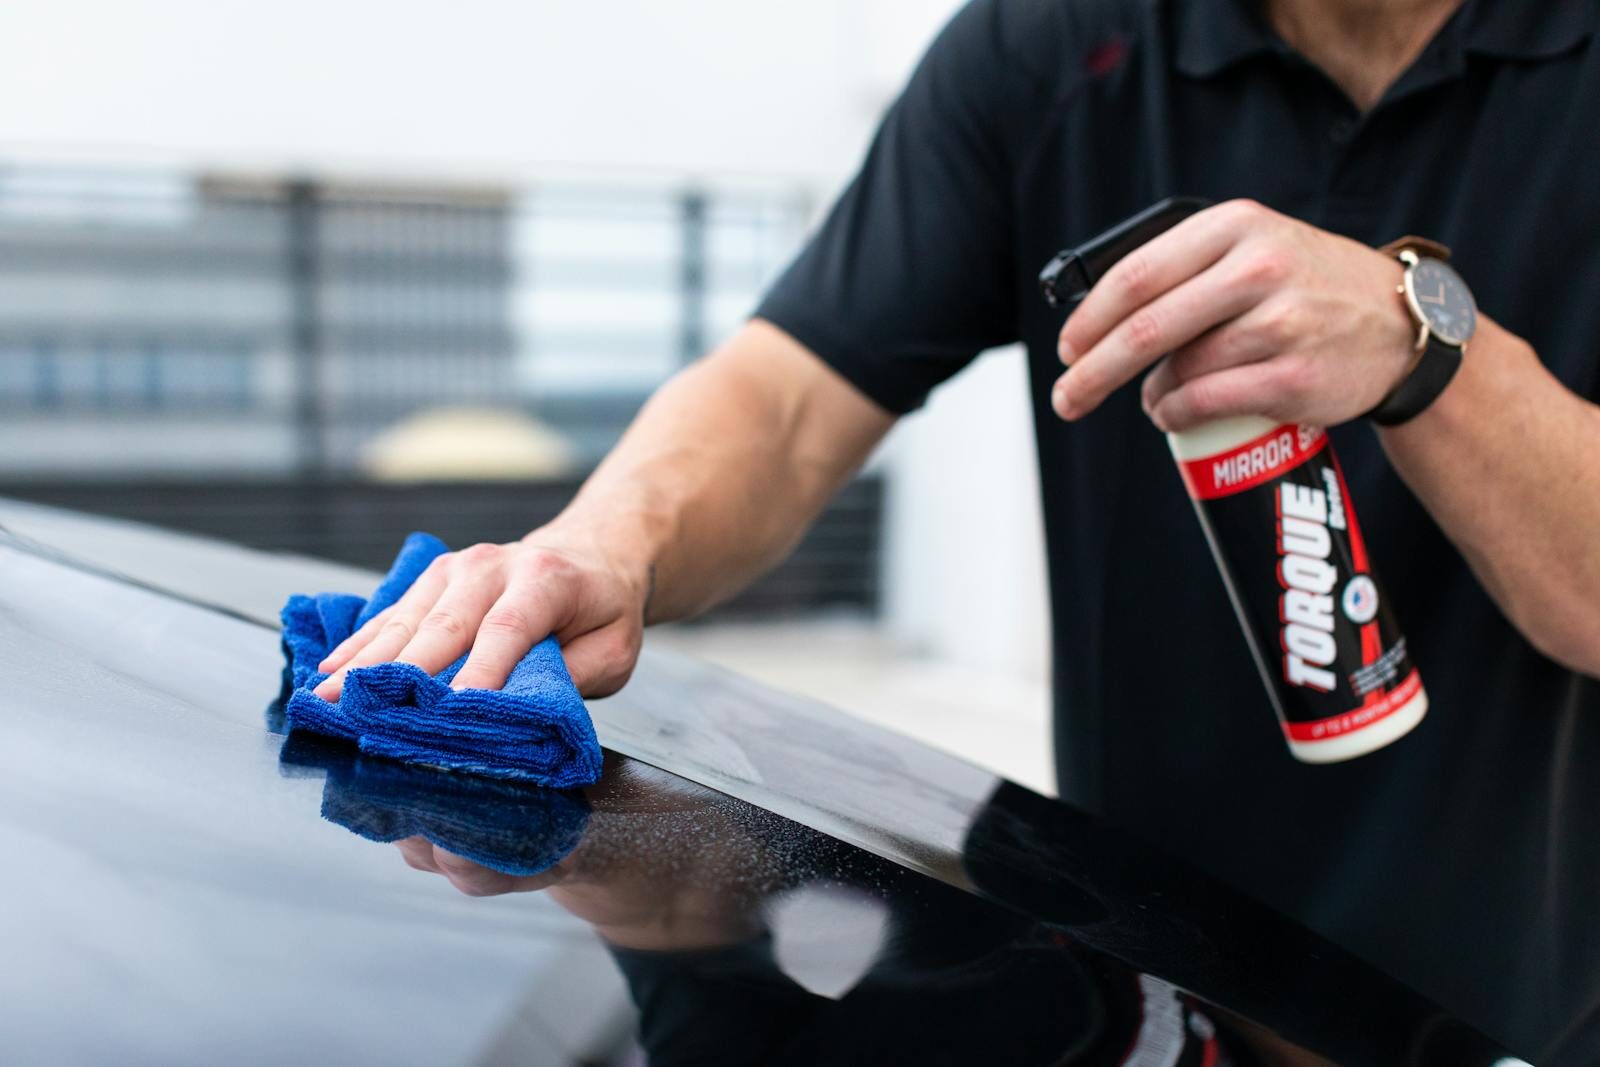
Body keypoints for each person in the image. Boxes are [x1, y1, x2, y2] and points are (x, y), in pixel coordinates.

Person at [313, 0, 1600, 1058]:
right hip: (1167, 996)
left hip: (1531, 999)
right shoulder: (1054, 44)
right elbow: (791, 395)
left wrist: (1428, 344)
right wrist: (607, 540)